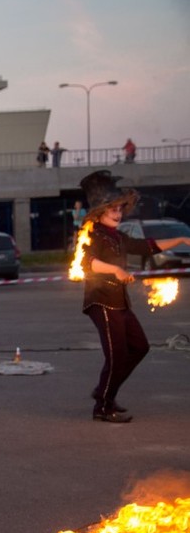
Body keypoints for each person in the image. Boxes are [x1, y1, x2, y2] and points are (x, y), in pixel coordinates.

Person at [77, 171, 190, 423]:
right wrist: (115, 269)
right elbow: (88, 263)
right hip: (101, 300)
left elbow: (147, 246)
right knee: (116, 355)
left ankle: (104, 391)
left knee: (140, 346)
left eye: (119, 209)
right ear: (100, 212)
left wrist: (182, 239)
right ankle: (102, 408)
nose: (118, 214)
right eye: (112, 210)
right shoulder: (93, 233)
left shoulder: (119, 236)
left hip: (120, 302)